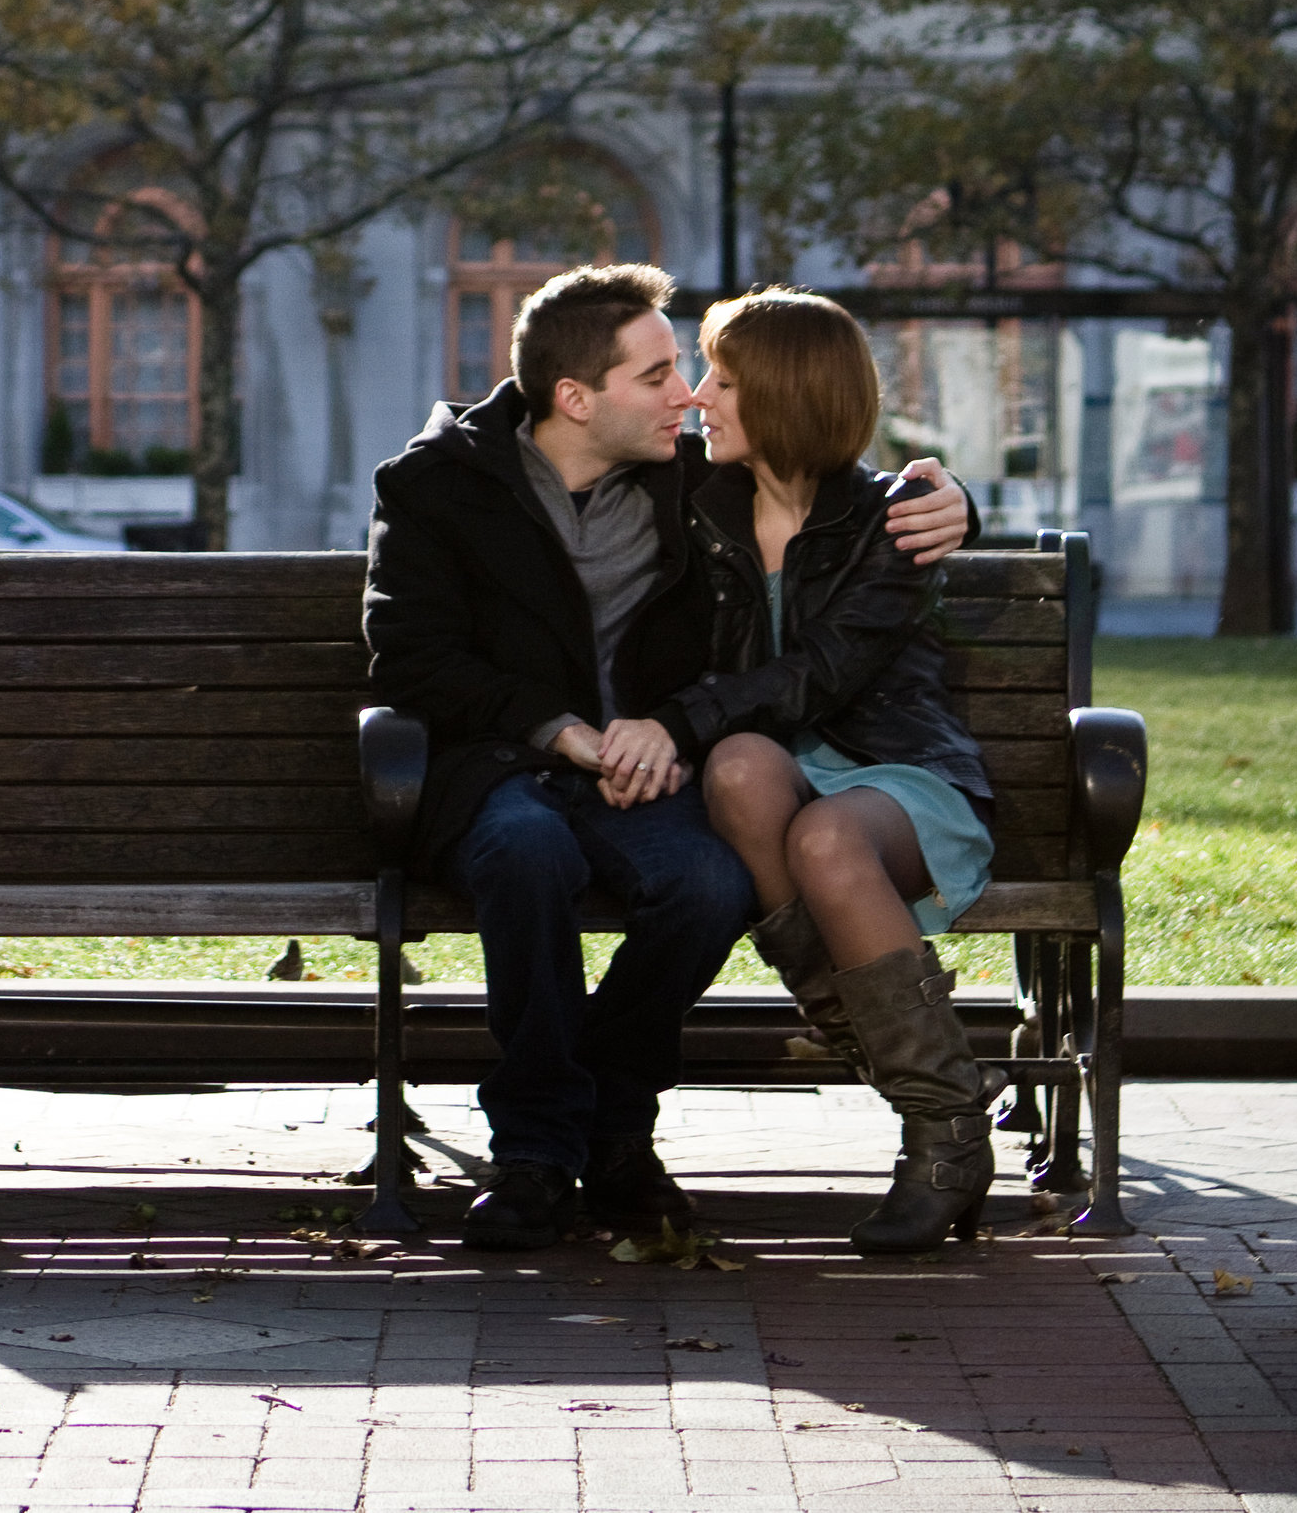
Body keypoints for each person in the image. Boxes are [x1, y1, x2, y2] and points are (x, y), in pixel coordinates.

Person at [363, 259, 973, 1252]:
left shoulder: (685, 481)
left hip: (652, 775)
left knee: (703, 880)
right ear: (573, 397)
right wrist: (561, 732)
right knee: (528, 855)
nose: (685, 395)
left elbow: (828, 487)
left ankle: (607, 1120)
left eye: (691, 374)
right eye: (655, 375)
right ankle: (534, 1152)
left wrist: (953, 498)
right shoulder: (436, 487)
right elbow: (411, 655)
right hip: (503, 768)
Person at [634, 285, 999, 1256]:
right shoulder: (691, 498)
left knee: (822, 833)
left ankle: (939, 1137)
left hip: (899, 779)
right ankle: (933, 1089)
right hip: (775, 771)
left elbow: (827, 671)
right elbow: (532, 448)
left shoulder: (893, 519)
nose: (699, 396)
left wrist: (962, 498)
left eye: (722, 378)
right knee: (743, 770)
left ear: (786, 395)